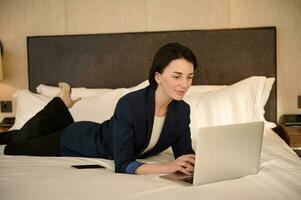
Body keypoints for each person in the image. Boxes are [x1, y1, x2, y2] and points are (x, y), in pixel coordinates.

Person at [0, 42, 198, 175]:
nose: (185, 84)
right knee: (16, 145)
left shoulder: (182, 111)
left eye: (189, 77)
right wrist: (166, 167)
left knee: (24, 136)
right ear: (158, 77)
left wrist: (199, 164)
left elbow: (184, 154)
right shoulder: (130, 104)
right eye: (177, 76)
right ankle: (61, 102)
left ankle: (62, 104)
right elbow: (123, 165)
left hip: (95, 130)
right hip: (76, 140)